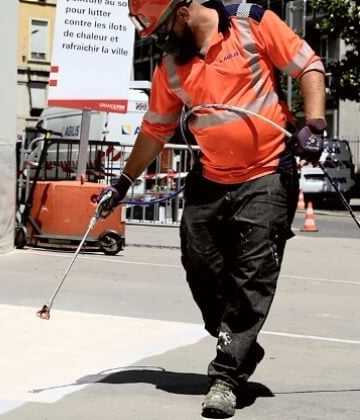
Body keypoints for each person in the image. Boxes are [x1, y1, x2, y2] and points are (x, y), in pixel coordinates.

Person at [98, 0, 326, 417]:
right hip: (211, 176)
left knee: (252, 274)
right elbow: (155, 130)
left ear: (183, 14)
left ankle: (226, 376)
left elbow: (309, 65)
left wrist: (314, 123)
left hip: (268, 172)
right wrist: (123, 181)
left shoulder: (252, 24)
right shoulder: (171, 65)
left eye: (163, 29)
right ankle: (240, 344)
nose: (162, 40)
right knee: (199, 263)